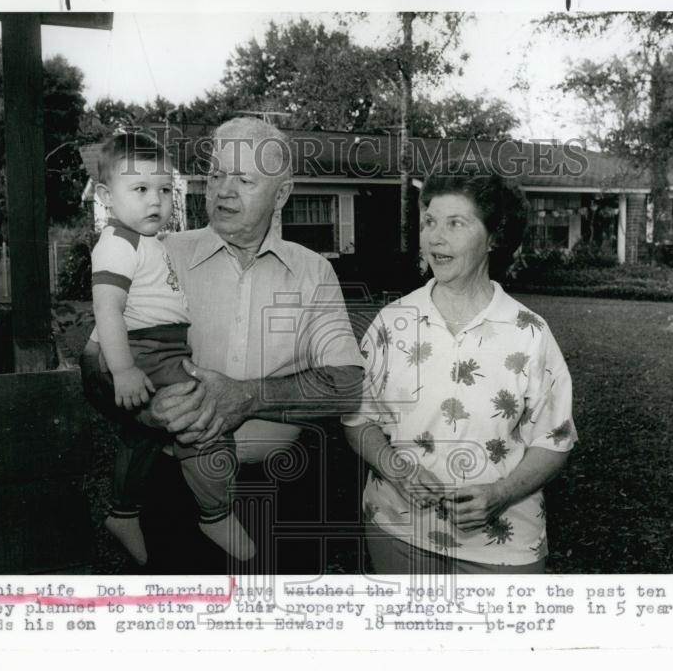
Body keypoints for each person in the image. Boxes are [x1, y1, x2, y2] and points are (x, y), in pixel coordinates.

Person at [80, 117, 365, 567]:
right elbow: (93, 362)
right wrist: (146, 410)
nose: (223, 191)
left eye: (245, 179)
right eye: (216, 175)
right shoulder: (159, 253)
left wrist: (247, 398)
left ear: (283, 194)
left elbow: (348, 384)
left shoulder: (313, 272)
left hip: (280, 490)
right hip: (174, 487)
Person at [343, 173, 576, 574]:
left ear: (493, 238)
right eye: (430, 221)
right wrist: (395, 468)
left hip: (500, 546)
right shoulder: (392, 322)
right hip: (399, 533)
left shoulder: (529, 332)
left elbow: (555, 439)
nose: (435, 237)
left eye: (456, 223)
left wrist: (501, 493)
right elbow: (357, 417)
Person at [87, 132, 251, 566]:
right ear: (105, 196)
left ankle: (123, 513)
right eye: (139, 190)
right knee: (201, 416)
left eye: (163, 189)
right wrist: (122, 370)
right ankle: (215, 512)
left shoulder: (148, 243)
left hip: (162, 347)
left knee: (141, 434)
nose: (155, 200)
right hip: (144, 350)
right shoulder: (117, 244)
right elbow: (107, 309)